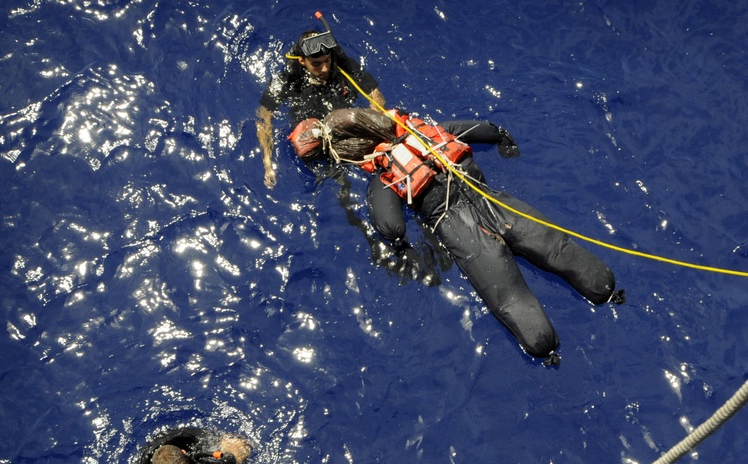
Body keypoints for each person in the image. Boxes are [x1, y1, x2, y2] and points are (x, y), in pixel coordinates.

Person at [315, 107, 625, 363]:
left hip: (461, 232)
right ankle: (607, 290)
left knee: (509, 296)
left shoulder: (384, 177)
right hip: (497, 205)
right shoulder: (433, 132)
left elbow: (390, 223)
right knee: (555, 247)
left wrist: (398, 244)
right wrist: (501, 137)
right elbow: (483, 130)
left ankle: (546, 351)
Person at [256, 13, 386, 188]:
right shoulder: (288, 80)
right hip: (312, 128)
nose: (325, 68)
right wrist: (268, 163)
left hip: (342, 119)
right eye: (316, 64)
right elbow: (264, 117)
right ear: (302, 61)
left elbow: (374, 93)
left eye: (327, 61)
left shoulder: (342, 65)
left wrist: (375, 125)